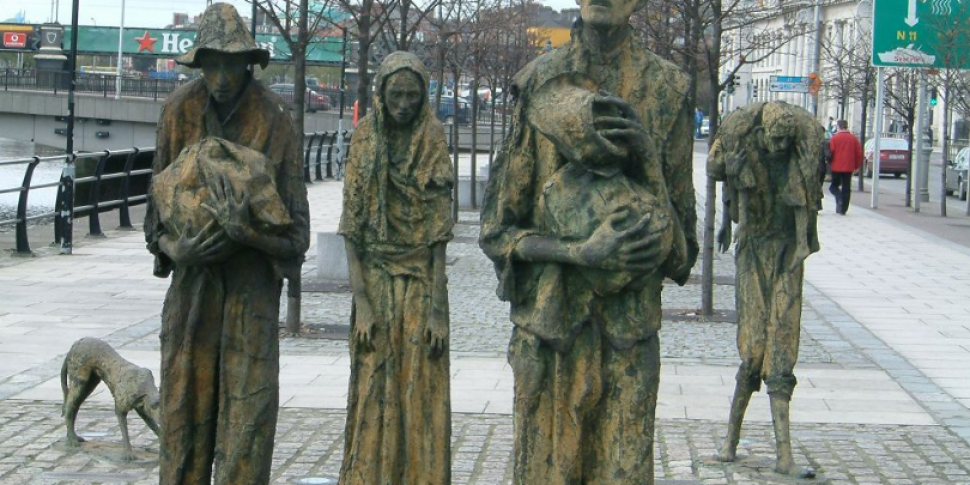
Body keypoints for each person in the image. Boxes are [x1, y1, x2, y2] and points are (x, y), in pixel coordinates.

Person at [479, 0, 698, 480]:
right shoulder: (539, 81)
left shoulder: (668, 87)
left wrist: (646, 157)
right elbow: (497, 232)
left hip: (629, 336)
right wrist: (579, 252)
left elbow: (683, 257)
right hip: (550, 329)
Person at [143, 4, 310, 484]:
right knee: (182, 426)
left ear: (248, 64)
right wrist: (177, 251)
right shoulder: (178, 112)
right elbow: (155, 214)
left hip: (249, 296)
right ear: (198, 65)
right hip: (192, 294)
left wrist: (249, 234)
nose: (220, 77)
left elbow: (297, 235)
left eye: (230, 64)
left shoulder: (275, 118)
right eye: (210, 64)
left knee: (246, 429)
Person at [337, 51, 454, 485]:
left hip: (422, 282)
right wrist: (362, 303)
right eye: (395, 94)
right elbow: (351, 228)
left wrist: (438, 310)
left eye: (411, 94)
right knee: (373, 384)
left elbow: (439, 234)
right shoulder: (366, 137)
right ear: (381, 94)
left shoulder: (433, 137)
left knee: (419, 385)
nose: (403, 103)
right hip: (375, 279)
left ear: (424, 95)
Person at [709, 101, 823, 477]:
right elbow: (715, 169)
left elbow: (805, 209)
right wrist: (728, 219)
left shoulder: (798, 160)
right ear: (761, 135)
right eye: (774, 140)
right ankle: (730, 440)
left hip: (787, 254)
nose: (779, 148)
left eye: (785, 142)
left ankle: (784, 454)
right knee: (753, 348)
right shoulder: (744, 147)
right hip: (754, 252)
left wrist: (803, 247)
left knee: (782, 347)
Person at [828, 119, 863, 215]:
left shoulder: (834, 139)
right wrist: (857, 166)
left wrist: (829, 163)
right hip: (849, 167)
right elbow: (859, 154)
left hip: (836, 167)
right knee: (846, 188)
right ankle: (843, 209)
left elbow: (831, 152)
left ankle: (839, 199)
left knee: (833, 186)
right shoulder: (854, 139)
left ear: (838, 127)